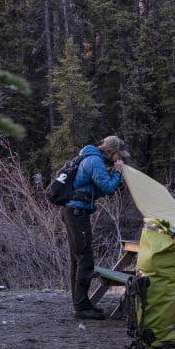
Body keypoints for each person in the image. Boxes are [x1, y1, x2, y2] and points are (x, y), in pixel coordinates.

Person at [62, 135, 130, 320]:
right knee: (85, 259)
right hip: (77, 213)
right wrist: (117, 173)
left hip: (73, 212)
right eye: (118, 155)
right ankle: (81, 307)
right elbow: (107, 188)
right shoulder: (94, 161)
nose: (120, 158)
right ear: (110, 152)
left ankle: (81, 302)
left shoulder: (89, 158)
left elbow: (96, 189)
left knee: (78, 259)